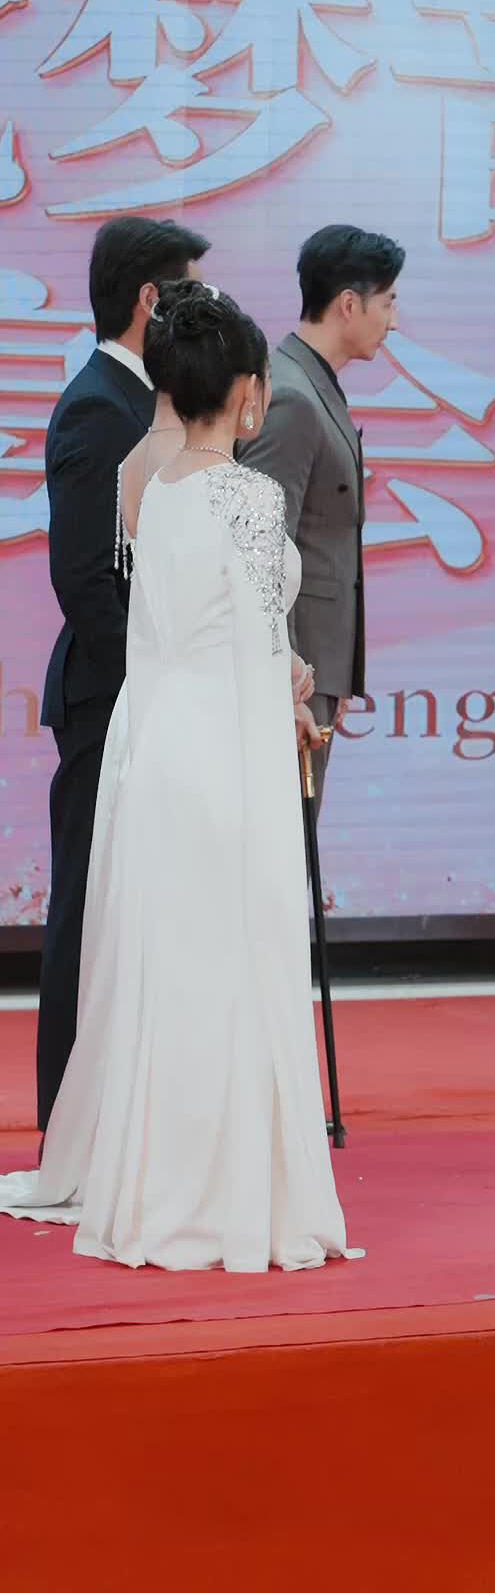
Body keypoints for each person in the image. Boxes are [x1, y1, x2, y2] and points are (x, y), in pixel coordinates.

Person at [0, 281, 347, 1271]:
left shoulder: (145, 478)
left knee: (164, 957)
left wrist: (276, 670)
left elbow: (188, 619)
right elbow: (250, 633)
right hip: (224, 746)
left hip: (156, 741)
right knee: (227, 955)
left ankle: (155, 1172)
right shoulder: (250, 496)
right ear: (245, 390)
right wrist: (288, 694)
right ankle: (217, 1185)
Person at [38, 215, 209, 1135]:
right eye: (191, 292)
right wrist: (151, 683)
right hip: (111, 699)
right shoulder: (99, 406)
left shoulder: (146, 401)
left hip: (148, 694)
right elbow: (83, 580)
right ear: (151, 299)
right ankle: (70, 1122)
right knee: (88, 907)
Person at [240, 223, 405, 813]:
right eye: (388, 303)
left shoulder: (310, 383)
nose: (394, 321)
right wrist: (284, 678)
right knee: (285, 836)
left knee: (296, 836)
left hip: (311, 667)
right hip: (292, 671)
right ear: (349, 305)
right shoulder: (290, 394)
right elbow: (260, 545)